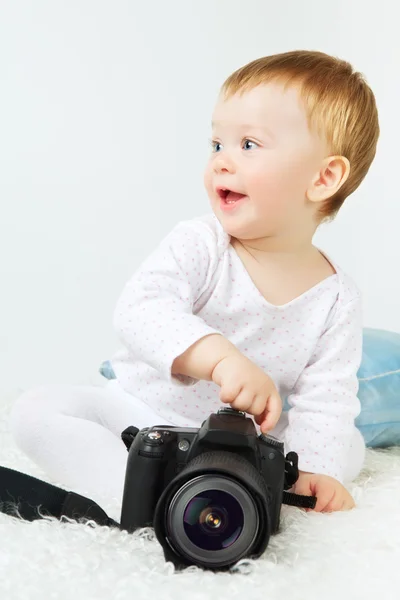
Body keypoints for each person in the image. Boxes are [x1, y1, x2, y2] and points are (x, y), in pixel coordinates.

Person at [9, 50, 380, 516]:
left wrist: (314, 470)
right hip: (141, 419)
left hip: (239, 445)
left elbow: (327, 395)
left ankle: (236, 490)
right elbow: (141, 310)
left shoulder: (337, 298)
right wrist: (221, 359)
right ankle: (135, 493)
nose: (222, 162)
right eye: (216, 144)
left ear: (324, 177)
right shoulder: (202, 243)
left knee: (347, 444)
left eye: (248, 145)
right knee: (37, 411)